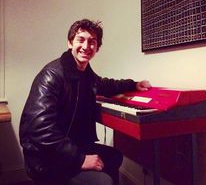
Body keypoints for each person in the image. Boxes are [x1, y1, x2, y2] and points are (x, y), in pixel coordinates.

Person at [19, 19, 151, 185]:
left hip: (69, 144)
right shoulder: (52, 75)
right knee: (102, 181)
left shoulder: (84, 73)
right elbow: (40, 130)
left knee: (114, 157)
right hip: (46, 157)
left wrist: (133, 84)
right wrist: (80, 159)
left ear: (97, 48)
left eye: (92, 42)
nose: (86, 46)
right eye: (81, 39)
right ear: (70, 43)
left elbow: (104, 84)